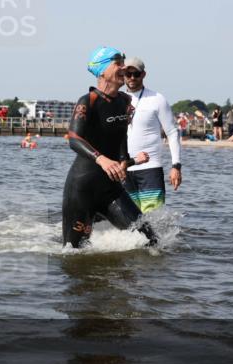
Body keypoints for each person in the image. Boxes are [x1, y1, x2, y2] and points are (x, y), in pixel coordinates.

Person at [62, 47, 156, 248]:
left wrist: (128, 161)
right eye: (118, 63)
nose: (124, 67)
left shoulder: (125, 101)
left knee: (151, 241)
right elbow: (74, 138)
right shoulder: (88, 101)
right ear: (102, 70)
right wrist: (101, 159)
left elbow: (120, 143)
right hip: (82, 189)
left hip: (111, 189)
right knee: (73, 252)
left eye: (124, 62)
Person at [121, 57, 182, 214]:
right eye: (128, 74)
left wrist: (176, 166)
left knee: (153, 219)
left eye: (136, 74)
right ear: (123, 75)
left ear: (143, 74)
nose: (132, 78)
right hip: (124, 168)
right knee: (129, 220)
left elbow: (172, 133)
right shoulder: (117, 99)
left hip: (150, 169)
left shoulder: (157, 99)